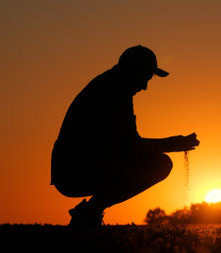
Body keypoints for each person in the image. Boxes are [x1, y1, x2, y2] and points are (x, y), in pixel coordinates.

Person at [51, 45, 200, 228]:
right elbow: (129, 146)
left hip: (78, 165)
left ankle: (89, 213)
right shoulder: (111, 92)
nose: (145, 87)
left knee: (156, 163)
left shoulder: (113, 87)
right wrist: (172, 143)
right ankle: (89, 212)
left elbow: (125, 144)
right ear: (133, 70)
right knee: (159, 164)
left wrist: (172, 143)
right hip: (74, 170)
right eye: (145, 78)